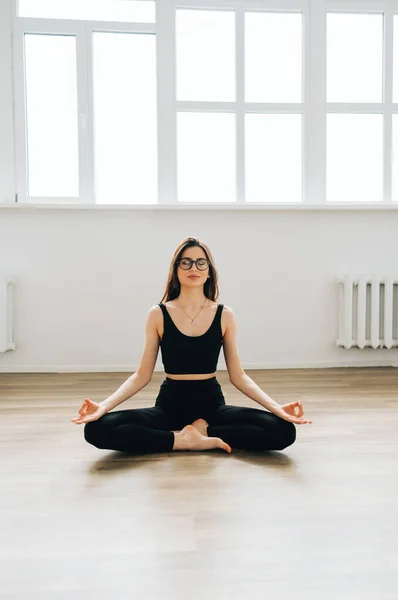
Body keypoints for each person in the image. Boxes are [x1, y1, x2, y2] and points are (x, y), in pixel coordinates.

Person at [71, 236, 312, 454]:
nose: (193, 268)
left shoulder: (224, 315)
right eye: (185, 262)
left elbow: (239, 376)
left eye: (200, 262)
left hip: (212, 407)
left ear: (209, 272)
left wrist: (277, 408)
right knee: (96, 429)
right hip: (169, 406)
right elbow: (141, 375)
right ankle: (182, 440)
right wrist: (102, 407)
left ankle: (203, 433)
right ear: (176, 270)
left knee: (283, 431)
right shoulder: (158, 314)